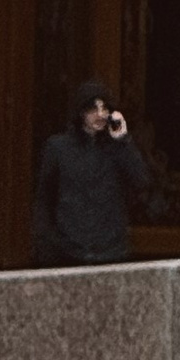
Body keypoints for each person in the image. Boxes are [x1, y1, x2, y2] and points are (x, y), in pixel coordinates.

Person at [32, 77, 151, 268]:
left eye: (104, 108)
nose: (100, 115)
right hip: (68, 252)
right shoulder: (58, 148)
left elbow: (141, 181)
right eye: (93, 109)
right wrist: (47, 245)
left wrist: (123, 141)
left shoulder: (117, 148)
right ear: (81, 112)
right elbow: (45, 198)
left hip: (111, 252)